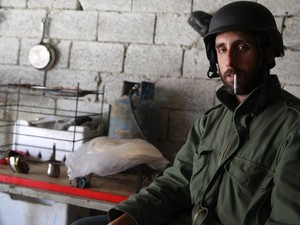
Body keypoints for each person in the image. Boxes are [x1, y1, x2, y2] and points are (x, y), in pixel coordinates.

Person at [72, 1, 300, 225]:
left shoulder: (293, 128)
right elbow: (173, 185)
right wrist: (127, 219)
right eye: (222, 49)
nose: (229, 60)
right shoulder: (211, 121)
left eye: (242, 47)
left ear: (268, 53)